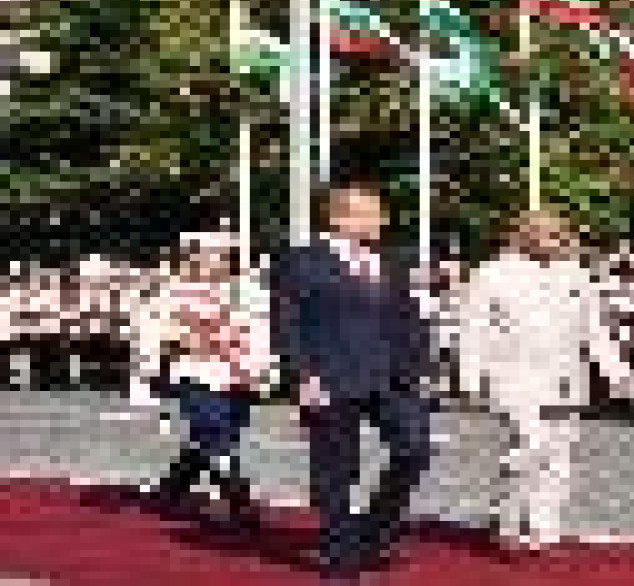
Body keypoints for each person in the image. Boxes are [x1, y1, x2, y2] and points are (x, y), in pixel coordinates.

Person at [270, 176, 435, 580]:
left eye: (380, 213)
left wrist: (420, 368)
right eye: (371, 214)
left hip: (393, 378)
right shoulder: (301, 260)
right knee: (337, 468)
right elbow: (286, 323)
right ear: (339, 218)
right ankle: (338, 550)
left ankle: (374, 533)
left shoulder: (392, 261)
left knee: (414, 449)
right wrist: (301, 376)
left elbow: (409, 319)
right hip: (330, 377)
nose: (381, 220)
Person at [458, 209, 634, 555]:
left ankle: (544, 528)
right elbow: (472, 329)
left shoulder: (575, 274)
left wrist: (616, 370)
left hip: (566, 375)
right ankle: (507, 519)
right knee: (530, 446)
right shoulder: (492, 274)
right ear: (524, 235)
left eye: (559, 234)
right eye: (545, 234)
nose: (554, 241)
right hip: (513, 375)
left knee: (558, 453)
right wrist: (470, 377)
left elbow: (593, 329)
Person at [141, 231, 269, 532]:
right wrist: (176, 343)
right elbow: (155, 332)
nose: (217, 262)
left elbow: (262, 332)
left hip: (238, 377)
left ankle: (171, 487)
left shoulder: (247, 292)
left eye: (223, 257)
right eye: (210, 257)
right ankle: (238, 500)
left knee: (217, 437)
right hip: (194, 374)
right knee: (215, 432)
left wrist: (261, 369)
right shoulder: (173, 293)